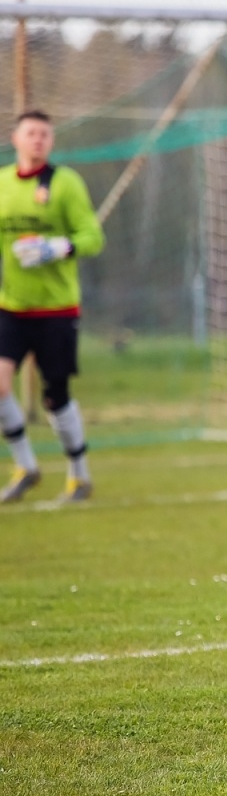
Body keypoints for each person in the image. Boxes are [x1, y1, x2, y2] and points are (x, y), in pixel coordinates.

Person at [0, 110, 105, 504]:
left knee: (54, 396)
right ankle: (26, 466)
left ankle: (79, 475)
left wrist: (57, 247)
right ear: (16, 138)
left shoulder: (64, 184)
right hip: (11, 307)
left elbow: (93, 237)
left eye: (45, 134)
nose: (38, 140)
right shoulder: (3, 185)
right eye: (31, 133)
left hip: (57, 310)